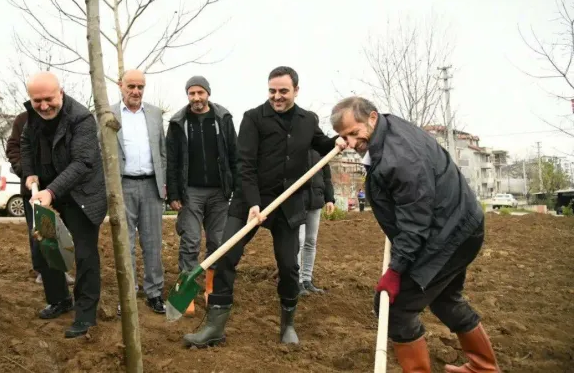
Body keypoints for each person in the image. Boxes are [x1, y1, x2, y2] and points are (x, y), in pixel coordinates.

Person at [330, 96, 500, 373]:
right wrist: (346, 139)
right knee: (445, 300)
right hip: (458, 225)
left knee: (395, 308)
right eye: (343, 137)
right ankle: (484, 367)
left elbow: (415, 224)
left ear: (372, 118)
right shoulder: (386, 128)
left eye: (353, 133)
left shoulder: (401, 160)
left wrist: (395, 272)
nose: (349, 142)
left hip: (446, 236)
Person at [183, 66, 344, 348]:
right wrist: (254, 203)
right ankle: (214, 327)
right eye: (272, 91)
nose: (277, 96)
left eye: (283, 91)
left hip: (288, 204)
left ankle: (288, 324)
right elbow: (245, 165)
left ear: (296, 90)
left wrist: (337, 141)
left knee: (289, 265)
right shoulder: (254, 118)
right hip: (250, 202)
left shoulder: (307, 120)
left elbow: (321, 143)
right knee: (227, 256)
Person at [20, 72, 107, 338]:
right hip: (46, 189)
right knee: (45, 246)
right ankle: (59, 299)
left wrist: (51, 191)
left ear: (61, 92)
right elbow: (25, 143)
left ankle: (85, 314)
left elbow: (83, 163)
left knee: (84, 254)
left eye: (48, 99)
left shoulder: (81, 118)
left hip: (81, 194)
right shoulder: (32, 116)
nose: (44, 106)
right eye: (37, 101)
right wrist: (29, 172)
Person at [166, 75, 238, 315]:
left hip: (219, 192)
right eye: (191, 93)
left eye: (200, 93)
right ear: (187, 96)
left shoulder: (223, 119)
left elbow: (233, 154)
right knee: (191, 241)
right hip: (190, 192)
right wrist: (173, 192)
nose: (196, 98)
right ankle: (186, 291)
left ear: (208, 93)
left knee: (217, 242)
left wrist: (236, 187)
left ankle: (211, 289)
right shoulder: (178, 122)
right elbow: (172, 160)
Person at [111, 69, 167, 314]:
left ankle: (154, 292)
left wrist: (165, 182)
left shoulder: (155, 114)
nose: (136, 91)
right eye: (131, 86)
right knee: (126, 242)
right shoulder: (107, 114)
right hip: (122, 185)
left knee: (153, 242)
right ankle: (128, 294)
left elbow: (162, 151)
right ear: (120, 85)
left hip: (152, 186)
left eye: (140, 87)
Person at [6, 110, 74, 286]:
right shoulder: (22, 119)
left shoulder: (63, 119)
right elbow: (13, 148)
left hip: (58, 186)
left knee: (60, 228)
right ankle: (42, 270)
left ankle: (61, 269)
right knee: (38, 231)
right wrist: (26, 172)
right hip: (33, 189)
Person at [297, 148, 335, 296]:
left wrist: (329, 199)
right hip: (298, 201)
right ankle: (297, 280)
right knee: (298, 240)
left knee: (311, 240)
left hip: (316, 200)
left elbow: (327, 177)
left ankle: (307, 279)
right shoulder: (297, 143)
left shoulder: (320, 149)